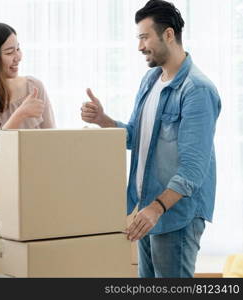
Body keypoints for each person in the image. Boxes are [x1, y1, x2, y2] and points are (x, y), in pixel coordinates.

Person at [81, 0, 221, 277]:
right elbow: (137, 137)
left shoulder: (197, 90)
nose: (140, 46)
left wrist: (157, 208)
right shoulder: (151, 81)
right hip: (147, 210)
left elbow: (193, 170)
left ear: (168, 34)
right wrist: (103, 120)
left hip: (175, 215)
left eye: (145, 37)